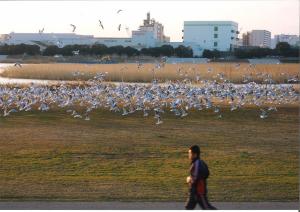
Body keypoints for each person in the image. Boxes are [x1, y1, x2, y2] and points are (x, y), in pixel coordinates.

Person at [185, 145, 217, 210]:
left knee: (207, 208)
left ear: (195, 154)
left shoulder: (197, 163)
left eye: (190, 153)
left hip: (199, 192)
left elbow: (195, 178)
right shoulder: (196, 162)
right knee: (188, 208)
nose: (189, 155)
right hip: (193, 192)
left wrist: (189, 179)